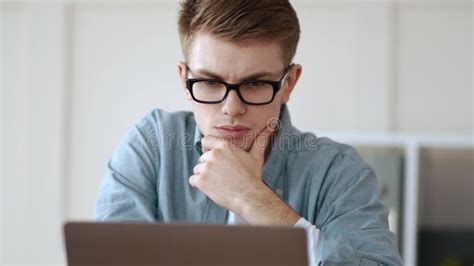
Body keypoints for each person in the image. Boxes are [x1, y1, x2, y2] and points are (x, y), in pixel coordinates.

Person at [94, 0, 402, 264]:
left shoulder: (339, 172)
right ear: (183, 79)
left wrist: (254, 200)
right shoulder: (153, 145)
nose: (231, 107)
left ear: (289, 84)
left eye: (255, 84)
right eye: (210, 82)